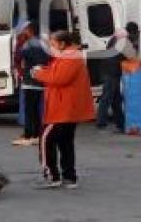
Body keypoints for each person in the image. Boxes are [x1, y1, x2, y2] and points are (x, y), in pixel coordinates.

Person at [32, 30, 96, 189]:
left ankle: (52, 176)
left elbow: (58, 78)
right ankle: (69, 177)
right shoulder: (67, 56)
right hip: (66, 108)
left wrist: (38, 74)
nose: (50, 47)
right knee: (65, 143)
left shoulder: (70, 56)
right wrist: (42, 71)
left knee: (46, 140)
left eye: (52, 44)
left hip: (62, 109)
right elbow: (56, 74)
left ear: (62, 43)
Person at [13, 22, 49, 146]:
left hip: (30, 81)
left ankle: (29, 135)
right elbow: (47, 59)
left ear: (29, 30)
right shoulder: (43, 43)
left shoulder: (28, 44)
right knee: (36, 110)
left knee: (29, 110)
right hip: (41, 81)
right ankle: (37, 135)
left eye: (24, 31)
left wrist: (20, 43)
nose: (22, 33)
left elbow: (18, 57)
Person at [95, 29, 136, 132]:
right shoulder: (121, 43)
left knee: (116, 99)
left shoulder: (112, 40)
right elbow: (131, 55)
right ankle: (101, 122)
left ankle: (120, 123)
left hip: (108, 71)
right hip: (112, 73)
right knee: (108, 97)